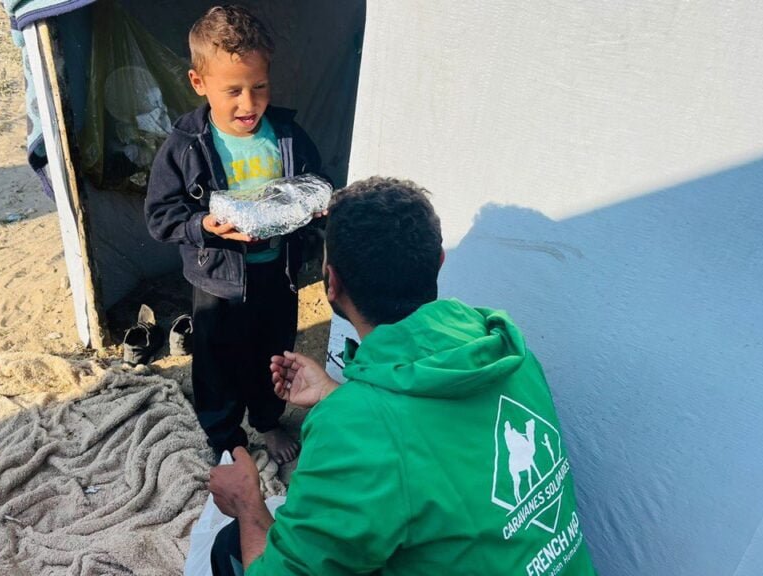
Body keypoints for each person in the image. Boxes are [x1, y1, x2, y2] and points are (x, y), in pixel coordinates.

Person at [208, 177, 598, 575]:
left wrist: (246, 503)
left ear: (332, 282)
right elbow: (428, 447)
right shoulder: (508, 354)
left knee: (231, 547)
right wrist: (337, 397)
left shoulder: (355, 433)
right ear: (439, 262)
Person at [144, 5, 325, 464]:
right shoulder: (186, 145)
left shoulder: (286, 134)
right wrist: (202, 226)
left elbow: (312, 184)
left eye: (259, 86)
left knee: (274, 354)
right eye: (234, 91)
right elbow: (160, 216)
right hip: (217, 284)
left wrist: (318, 211)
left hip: (276, 276)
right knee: (216, 364)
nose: (249, 103)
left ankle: (267, 421)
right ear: (198, 83)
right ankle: (225, 438)